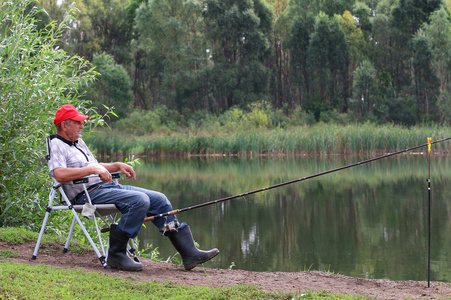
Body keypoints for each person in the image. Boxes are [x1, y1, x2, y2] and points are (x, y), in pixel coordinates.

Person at [48, 104, 219, 271]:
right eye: (77, 122)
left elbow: (94, 165)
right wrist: (94, 169)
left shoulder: (78, 142)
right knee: (139, 201)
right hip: (87, 196)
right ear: (64, 125)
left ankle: (189, 253)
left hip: (106, 189)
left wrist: (116, 165)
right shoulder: (57, 144)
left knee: (159, 199)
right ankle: (116, 254)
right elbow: (59, 174)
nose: (82, 125)